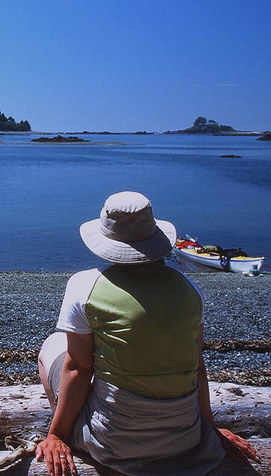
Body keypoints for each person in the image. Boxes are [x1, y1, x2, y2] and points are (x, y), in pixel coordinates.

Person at [35, 191, 258, 476]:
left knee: (54, 345)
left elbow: (79, 367)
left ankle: (68, 428)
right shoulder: (190, 290)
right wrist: (209, 429)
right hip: (184, 440)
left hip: (114, 443)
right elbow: (196, 367)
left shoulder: (84, 286)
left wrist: (56, 436)